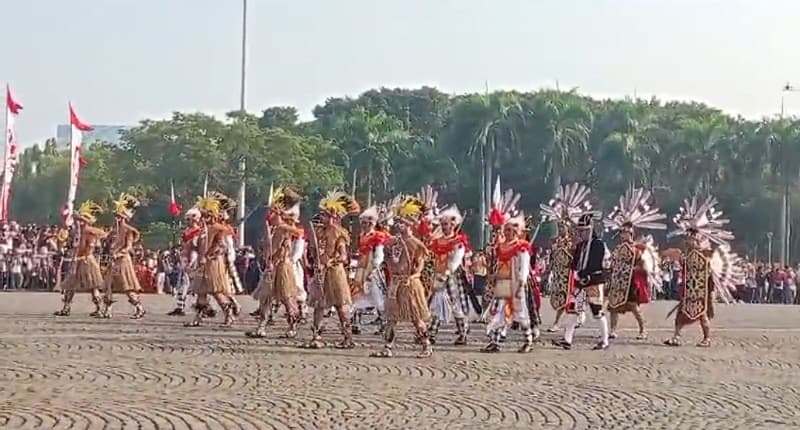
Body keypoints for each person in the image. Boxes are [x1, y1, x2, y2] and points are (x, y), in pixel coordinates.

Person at [664, 196, 743, 347]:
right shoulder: (687, 256)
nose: (688, 241)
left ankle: (707, 338)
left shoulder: (706, 256)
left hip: (701, 292)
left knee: (702, 315)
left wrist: (710, 289)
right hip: (689, 291)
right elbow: (682, 267)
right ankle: (677, 336)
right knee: (680, 315)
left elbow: (710, 274)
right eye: (687, 239)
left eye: (691, 239)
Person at [370, 194, 432, 358]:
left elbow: (419, 266)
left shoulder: (417, 245)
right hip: (395, 284)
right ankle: (387, 347)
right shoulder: (392, 243)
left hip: (410, 285)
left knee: (416, 318)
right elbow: (390, 263)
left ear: (410, 224)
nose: (399, 225)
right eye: (398, 222)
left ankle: (426, 346)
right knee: (391, 318)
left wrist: (412, 277)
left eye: (402, 222)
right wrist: (388, 256)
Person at [603, 188, 667, 341]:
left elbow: (644, 267)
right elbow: (613, 264)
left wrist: (631, 269)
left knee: (633, 307)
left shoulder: (638, 249)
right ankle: (612, 330)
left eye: (625, 233)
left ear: (630, 234)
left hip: (631, 282)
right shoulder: (618, 249)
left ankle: (643, 329)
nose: (622, 235)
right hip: (618, 282)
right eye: (621, 232)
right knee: (613, 307)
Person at [304, 191, 360, 349]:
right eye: (321, 215)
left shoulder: (338, 233)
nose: (321, 218)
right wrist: (316, 260)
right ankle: (316, 336)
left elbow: (343, 256)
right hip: (321, 272)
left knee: (340, 306)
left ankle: (348, 338)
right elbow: (316, 251)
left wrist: (329, 262)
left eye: (325, 215)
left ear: (333, 217)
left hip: (335, 273)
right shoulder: (319, 232)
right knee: (319, 305)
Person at [247, 186, 304, 338]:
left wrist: (273, 261)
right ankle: (261, 327)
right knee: (265, 297)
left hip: (282, 266)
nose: (268, 215)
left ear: (277, 213)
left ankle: (293, 326)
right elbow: (267, 248)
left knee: (286, 298)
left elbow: (281, 250)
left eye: (271, 212)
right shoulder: (272, 229)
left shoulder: (283, 229)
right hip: (272, 266)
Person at [538, 183, 593, 333]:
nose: (561, 229)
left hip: (570, 275)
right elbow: (553, 259)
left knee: (568, 299)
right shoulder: (556, 242)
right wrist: (546, 273)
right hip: (558, 276)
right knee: (561, 300)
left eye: (563, 227)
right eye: (560, 227)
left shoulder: (574, 242)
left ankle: (558, 323)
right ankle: (573, 318)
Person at [555, 212, 610, 350]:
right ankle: (567, 340)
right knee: (574, 310)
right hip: (579, 282)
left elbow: (595, 264)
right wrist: (571, 271)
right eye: (580, 231)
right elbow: (575, 262)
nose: (582, 233)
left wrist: (582, 274)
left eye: (584, 230)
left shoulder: (598, 245)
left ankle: (604, 340)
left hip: (594, 281)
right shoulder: (580, 246)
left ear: (590, 229)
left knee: (597, 312)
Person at [483, 208, 534, 353]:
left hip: (516, 283)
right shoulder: (502, 246)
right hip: (503, 282)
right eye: (506, 230)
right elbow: (498, 263)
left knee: (520, 312)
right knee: (498, 311)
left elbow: (524, 266)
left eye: (511, 230)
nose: (508, 233)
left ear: (516, 232)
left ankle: (528, 340)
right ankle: (495, 342)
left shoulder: (521, 247)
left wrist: (522, 282)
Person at [54, 201, 107, 316]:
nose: (79, 222)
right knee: (70, 285)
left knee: (93, 286)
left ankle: (100, 309)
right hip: (79, 259)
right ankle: (66, 308)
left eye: (81, 220)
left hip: (86, 260)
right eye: (79, 220)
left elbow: (90, 246)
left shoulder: (90, 232)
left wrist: (84, 256)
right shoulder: (79, 231)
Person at [427, 205, 471, 345]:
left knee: (455, 305)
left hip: (451, 277)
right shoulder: (438, 241)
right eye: (442, 224)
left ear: (453, 225)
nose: (444, 227)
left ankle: (463, 333)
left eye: (446, 224)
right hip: (438, 274)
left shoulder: (458, 241)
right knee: (436, 303)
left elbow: (457, 260)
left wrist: (448, 271)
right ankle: (431, 333)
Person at [351, 202, 392, 335]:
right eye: (363, 223)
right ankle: (355, 323)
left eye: (369, 223)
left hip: (373, 269)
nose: (366, 225)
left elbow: (379, 254)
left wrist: (374, 268)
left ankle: (384, 323)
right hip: (361, 268)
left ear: (374, 223)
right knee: (358, 294)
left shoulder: (377, 236)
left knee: (377, 295)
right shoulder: (361, 236)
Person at [101, 194, 145, 319]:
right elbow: (105, 237)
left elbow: (128, 247)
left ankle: (139, 308)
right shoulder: (114, 231)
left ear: (124, 218)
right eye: (116, 217)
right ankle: (107, 310)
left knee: (127, 287)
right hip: (113, 261)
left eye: (119, 217)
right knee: (108, 285)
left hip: (123, 261)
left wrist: (118, 254)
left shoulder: (128, 230)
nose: (117, 219)